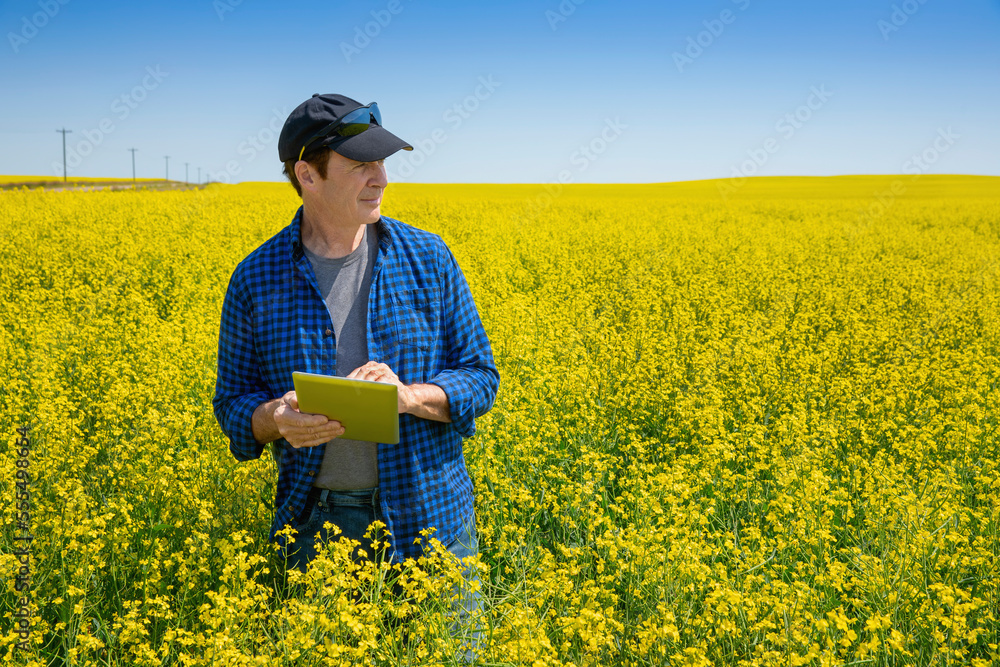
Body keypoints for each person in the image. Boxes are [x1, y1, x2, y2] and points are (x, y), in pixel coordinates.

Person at [212, 93, 499, 650]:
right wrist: (273, 417)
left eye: (383, 162)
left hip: (432, 516)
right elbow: (231, 405)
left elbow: (480, 376)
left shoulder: (427, 257)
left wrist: (411, 396)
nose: (381, 178)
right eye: (361, 164)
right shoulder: (255, 279)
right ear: (307, 174)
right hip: (317, 527)